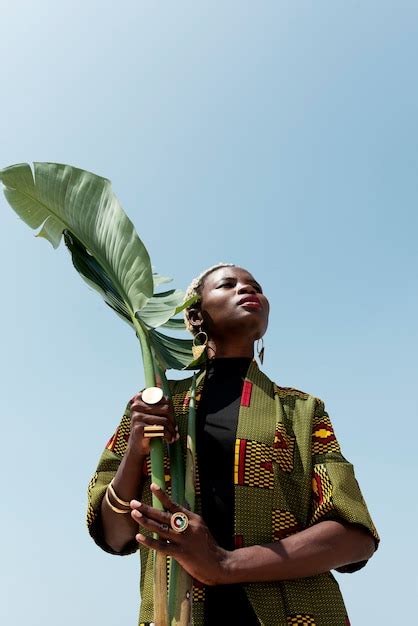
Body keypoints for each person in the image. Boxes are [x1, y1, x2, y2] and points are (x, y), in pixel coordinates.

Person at [87, 263, 379, 626]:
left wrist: (224, 565)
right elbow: (115, 535)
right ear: (195, 316)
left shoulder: (302, 410)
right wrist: (137, 448)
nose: (248, 290)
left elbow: (354, 535)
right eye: (228, 284)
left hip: (295, 614)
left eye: (256, 286)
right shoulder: (156, 406)